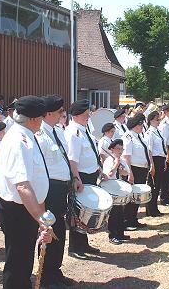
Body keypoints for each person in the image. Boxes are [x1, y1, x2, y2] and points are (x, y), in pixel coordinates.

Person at [0, 95, 52, 288]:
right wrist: (41, 220)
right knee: (17, 261)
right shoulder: (19, 141)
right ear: (34, 119)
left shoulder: (27, 136)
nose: (42, 123)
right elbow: (22, 186)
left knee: (24, 258)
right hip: (17, 210)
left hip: (26, 209)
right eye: (41, 119)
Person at [35, 94, 77, 287]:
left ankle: (55, 269)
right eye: (60, 111)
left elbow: (65, 158)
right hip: (49, 189)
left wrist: (74, 177)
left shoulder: (58, 131)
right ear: (49, 113)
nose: (63, 114)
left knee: (59, 229)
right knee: (48, 230)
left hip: (62, 188)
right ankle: (45, 274)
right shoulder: (39, 135)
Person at [65, 99, 105, 260]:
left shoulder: (84, 129)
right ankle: (75, 247)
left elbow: (92, 153)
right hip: (80, 175)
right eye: (86, 114)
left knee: (86, 212)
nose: (89, 116)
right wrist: (76, 178)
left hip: (90, 174)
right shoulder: (72, 132)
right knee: (77, 213)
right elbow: (72, 159)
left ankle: (83, 243)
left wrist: (100, 169)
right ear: (77, 115)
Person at [122, 113, 153, 230]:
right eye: (140, 125)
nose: (142, 127)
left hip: (141, 169)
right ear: (135, 126)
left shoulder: (139, 136)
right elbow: (126, 157)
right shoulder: (128, 137)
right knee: (131, 197)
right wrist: (130, 173)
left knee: (137, 196)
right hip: (134, 169)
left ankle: (133, 219)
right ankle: (127, 221)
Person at [103, 139, 131, 244]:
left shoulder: (122, 160)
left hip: (120, 188)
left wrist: (120, 168)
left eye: (121, 149)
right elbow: (109, 175)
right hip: (111, 189)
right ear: (112, 149)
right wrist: (116, 164)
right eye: (118, 149)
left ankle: (120, 233)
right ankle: (112, 235)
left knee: (120, 212)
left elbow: (126, 173)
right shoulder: (108, 161)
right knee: (113, 213)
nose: (120, 151)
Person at [145, 111, 166, 217]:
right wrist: (152, 165)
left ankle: (155, 208)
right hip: (154, 160)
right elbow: (149, 150)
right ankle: (150, 209)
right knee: (153, 186)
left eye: (159, 119)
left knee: (157, 186)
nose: (159, 121)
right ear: (151, 121)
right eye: (157, 119)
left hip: (160, 159)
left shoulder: (157, 131)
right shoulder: (149, 133)